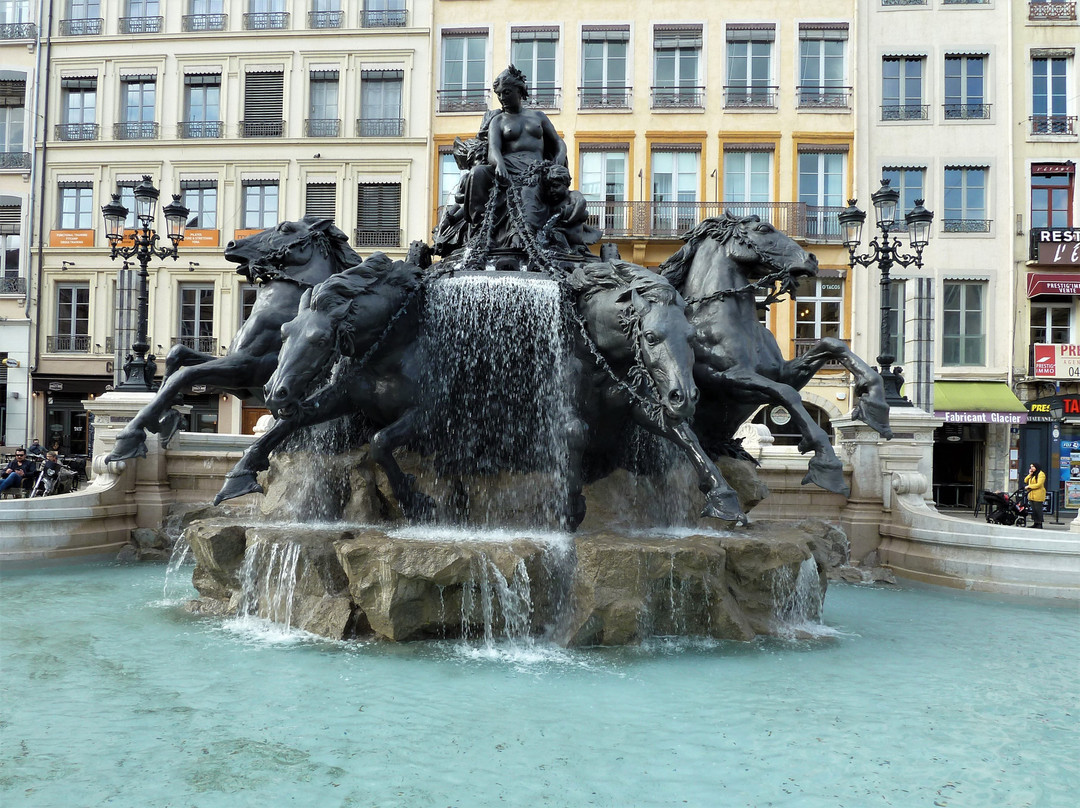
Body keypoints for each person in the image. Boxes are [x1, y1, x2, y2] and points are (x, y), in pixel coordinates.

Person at [463, 65, 568, 250]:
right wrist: (499, 165)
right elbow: (493, 149)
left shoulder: (538, 117)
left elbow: (559, 142)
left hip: (534, 169)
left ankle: (521, 236)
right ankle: (481, 229)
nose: (502, 98)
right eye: (499, 94)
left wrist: (559, 158)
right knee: (477, 173)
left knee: (529, 191)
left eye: (506, 92)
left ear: (519, 90)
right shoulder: (498, 120)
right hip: (507, 166)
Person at [1024, 462, 1046, 529]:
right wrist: (1029, 474)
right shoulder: (1032, 474)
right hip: (1031, 495)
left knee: (1038, 510)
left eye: (1033, 467)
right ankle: (1035, 522)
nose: (1032, 468)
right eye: (1031, 467)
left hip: (1038, 494)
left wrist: (1029, 486)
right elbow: (1025, 480)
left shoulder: (1041, 474)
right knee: (1034, 510)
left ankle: (1039, 523)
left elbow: (1039, 484)